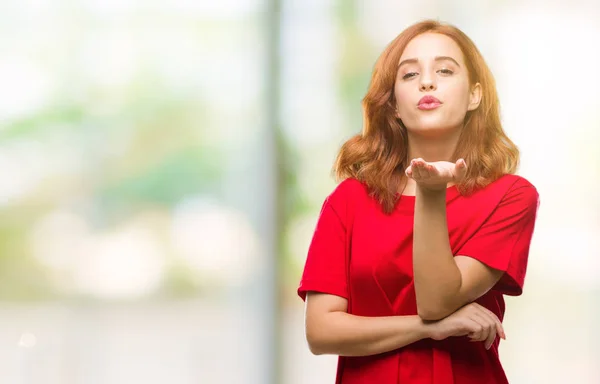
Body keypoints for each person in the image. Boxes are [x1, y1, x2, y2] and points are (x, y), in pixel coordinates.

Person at [297, 19, 540, 384]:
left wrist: (429, 189)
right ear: (394, 104)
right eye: (410, 75)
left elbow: (437, 299)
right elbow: (321, 331)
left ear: (475, 95)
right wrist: (429, 328)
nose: (427, 82)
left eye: (444, 70)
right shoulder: (349, 200)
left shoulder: (511, 196)